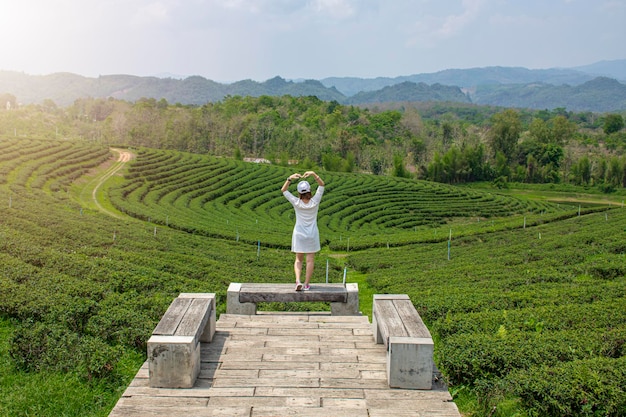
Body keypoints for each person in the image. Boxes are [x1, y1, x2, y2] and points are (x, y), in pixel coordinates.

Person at [281, 171, 325, 291]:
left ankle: (298, 281)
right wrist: (314, 174)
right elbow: (322, 185)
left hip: (299, 234)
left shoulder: (297, 202)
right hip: (312, 234)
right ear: (310, 191)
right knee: (310, 260)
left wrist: (289, 178)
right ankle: (306, 284)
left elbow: (284, 190)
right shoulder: (315, 201)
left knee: (298, 259)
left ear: (299, 193)